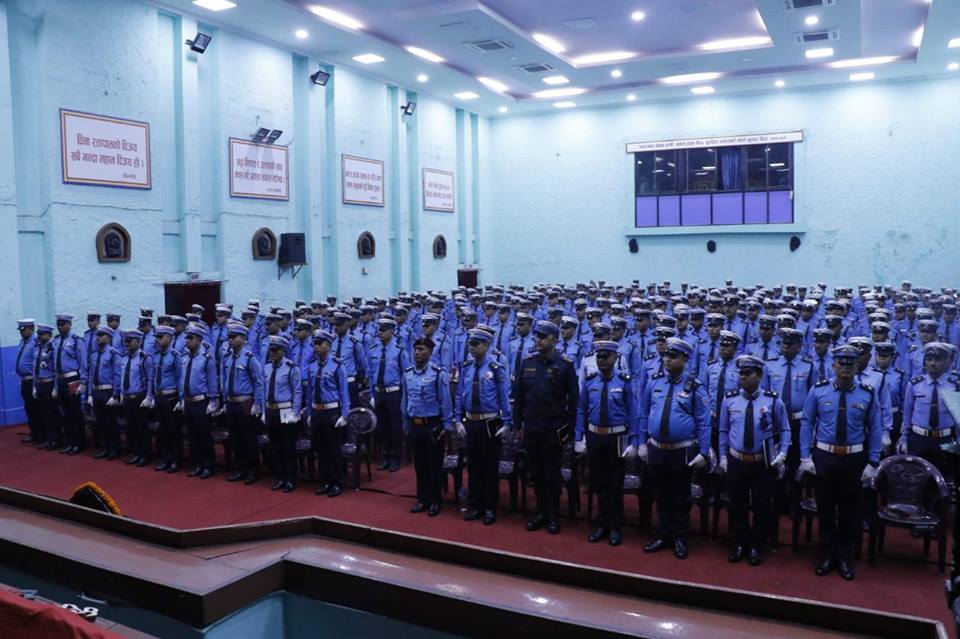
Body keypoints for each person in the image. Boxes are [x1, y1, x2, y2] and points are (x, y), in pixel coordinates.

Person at [799, 344, 882, 581]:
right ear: (833, 365)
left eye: (850, 364)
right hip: (825, 456)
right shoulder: (818, 391)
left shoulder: (867, 393)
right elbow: (807, 422)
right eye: (841, 363)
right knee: (825, 509)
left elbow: (875, 427)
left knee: (850, 511)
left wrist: (873, 461)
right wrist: (805, 456)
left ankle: (845, 557)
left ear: (857, 367)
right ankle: (827, 554)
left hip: (854, 458)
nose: (845, 368)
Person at [638, 337, 710, 559]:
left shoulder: (695, 387)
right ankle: (663, 534)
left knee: (680, 496)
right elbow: (644, 413)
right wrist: (641, 442)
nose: (667, 359)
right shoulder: (655, 382)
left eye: (673, 356)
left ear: (685, 360)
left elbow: (704, 422)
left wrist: (704, 452)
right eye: (666, 355)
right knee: (661, 494)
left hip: (682, 449)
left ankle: (679, 537)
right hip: (657, 447)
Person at [718, 355, 790, 566]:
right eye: (741, 373)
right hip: (737, 460)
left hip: (762, 461)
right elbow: (723, 430)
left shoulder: (772, 400)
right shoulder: (730, 399)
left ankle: (756, 545)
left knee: (761, 505)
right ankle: (739, 543)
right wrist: (722, 456)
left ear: (759, 375)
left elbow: (785, 429)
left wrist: (783, 453)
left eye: (748, 373)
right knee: (736, 504)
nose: (743, 377)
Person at [512, 320, 578, 535]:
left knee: (552, 475)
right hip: (531, 428)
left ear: (554, 340)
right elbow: (519, 397)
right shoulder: (528, 363)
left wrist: (569, 429)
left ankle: (553, 515)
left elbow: (574, 401)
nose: (538, 340)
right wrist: (517, 424)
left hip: (553, 429)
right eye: (537, 336)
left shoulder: (565, 365)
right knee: (535, 473)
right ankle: (540, 512)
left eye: (542, 336)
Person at [574, 340, 639, 546]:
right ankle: (602, 524)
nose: (601, 360)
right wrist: (579, 437)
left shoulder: (624, 381)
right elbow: (581, 410)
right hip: (595, 436)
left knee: (615, 485)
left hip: (616, 438)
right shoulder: (590, 381)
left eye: (605, 356)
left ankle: (615, 527)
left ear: (615, 357)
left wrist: (635, 441)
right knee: (599, 483)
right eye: (599, 356)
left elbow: (633, 413)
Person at [456, 328, 512, 525]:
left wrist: (507, 422)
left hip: (490, 422)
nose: (471, 348)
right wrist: (457, 419)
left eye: (475, 344)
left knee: (489, 467)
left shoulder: (496, 368)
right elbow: (460, 394)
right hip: (471, 421)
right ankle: (476, 505)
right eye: (470, 344)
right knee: (474, 466)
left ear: (486, 345)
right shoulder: (466, 367)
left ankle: (490, 507)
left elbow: (504, 396)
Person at [402, 336, 453, 516]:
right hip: (414, 423)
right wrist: (405, 423)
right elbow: (405, 400)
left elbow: (445, 401)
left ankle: (435, 500)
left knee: (434, 464)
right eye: (415, 349)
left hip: (432, 424)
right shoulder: (408, 373)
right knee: (420, 464)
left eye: (421, 349)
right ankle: (422, 498)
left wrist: (447, 426)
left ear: (430, 352)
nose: (417, 353)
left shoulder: (438, 374)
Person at [897, 342, 959, 472]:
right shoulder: (915, 384)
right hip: (918, 439)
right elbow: (907, 414)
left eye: (937, 360)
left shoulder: (955, 386)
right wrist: (904, 437)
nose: (932, 363)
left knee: (945, 476)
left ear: (947, 362)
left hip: (946, 440)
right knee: (915, 476)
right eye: (929, 359)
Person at [303, 330, 350, 497]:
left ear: (328, 345)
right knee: (320, 449)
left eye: (320, 344)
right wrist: (310, 413)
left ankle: (337, 482)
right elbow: (310, 392)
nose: (316, 347)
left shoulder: (337, 365)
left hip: (331, 411)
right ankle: (324, 480)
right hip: (317, 410)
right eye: (314, 344)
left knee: (333, 449)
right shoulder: (312, 366)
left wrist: (344, 414)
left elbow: (344, 391)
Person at [221, 324, 264, 485]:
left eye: (234, 337)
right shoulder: (228, 357)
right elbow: (224, 379)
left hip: (245, 402)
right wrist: (224, 400)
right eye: (229, 337)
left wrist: (257, 403)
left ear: (243, 338)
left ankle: (252, 470)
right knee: (235, 438)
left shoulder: (250, 358)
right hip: (231, 402)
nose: (231, 340)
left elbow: (258, 382)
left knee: (248, 438)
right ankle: (240, 468)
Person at [367, 317, 409, 472]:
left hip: (394, 393)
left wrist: (404, 397)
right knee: (382, 426)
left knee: (394, 427)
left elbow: (406, 375)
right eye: (379, 329)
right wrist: (372, 394)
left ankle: (395, 457)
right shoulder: (373, 349)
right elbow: (371, 373)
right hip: (379, 392)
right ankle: (385, 455)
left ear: (392, 331)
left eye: (384, 330)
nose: (380, 332)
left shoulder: (399, 350)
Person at [179, 324, 219, 479]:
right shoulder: (184, 357)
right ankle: (197, 464)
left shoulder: (206, 359)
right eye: (186, 338)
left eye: (191, 338)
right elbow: (182, 379)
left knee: (204, 435)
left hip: (201, 402)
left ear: (199, 340)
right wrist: (181, 398)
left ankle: (208, 465)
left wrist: (213, 400)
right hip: (188, 401)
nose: (187, 341)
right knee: (192, 436)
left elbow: (212, 380)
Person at [263, 335, 302, 492]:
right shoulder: (267, 367)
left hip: (285, 410)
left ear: (283, 350)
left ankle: (290, 479)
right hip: (270, 409)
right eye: (270, 350)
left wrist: (295, 412)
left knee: (288, 447)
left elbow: (297, 391)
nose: (272, 352)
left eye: (275, 350)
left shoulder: (292, 367)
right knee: (275, 447)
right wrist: (263, 410)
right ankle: (280, 477)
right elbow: (263, 390)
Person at [116, 330, 155, 466]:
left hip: (139, 398)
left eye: (129, 341)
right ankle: (134, 453)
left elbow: (150, 379)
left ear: (138, 342)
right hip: (127, 398)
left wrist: (149, 397)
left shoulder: (144, 358)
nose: (126, 344)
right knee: (130, 428)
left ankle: (145, 455)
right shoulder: (124, 358)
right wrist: (121, 393)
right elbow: (121, 377)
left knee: (142, 428)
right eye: (125, 341)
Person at [51, 314, 88, 455]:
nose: (60, 327)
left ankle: (79, 443)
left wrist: (83, 383)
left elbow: (83, 363)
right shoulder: (56, 340)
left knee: (75, 413)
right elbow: (55, 365)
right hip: (60, 380)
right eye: (58, 325)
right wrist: (55, 386)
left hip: (73, 380)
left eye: (63, 324)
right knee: (65, 413)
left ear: (69, 324)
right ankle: (69, 442)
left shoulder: (76, 341)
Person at [87, 326, 121, 460]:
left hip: (108, 391)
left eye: (101, 335)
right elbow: (91, 375)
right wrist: (90, 394)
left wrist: (115, 394)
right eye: (97, 335)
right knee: (100, 422)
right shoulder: (94, 355)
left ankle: (114, 449)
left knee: (111, 422)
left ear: (108, 338)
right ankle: (105, 447)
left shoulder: (113, 354)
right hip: (96, 391)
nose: (98, 338)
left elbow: (117, 374)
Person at [153, 326, 183, 472]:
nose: (158, 340)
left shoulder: (176, 356)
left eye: (161, 337)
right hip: (158, 396)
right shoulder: (156, 355)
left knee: (173, 430)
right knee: (162, 429)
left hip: (171, 396)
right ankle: (165, 458)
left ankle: (175, 459)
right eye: (157, 337)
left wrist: (180, 399)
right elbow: (153, 376)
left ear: (170, 338)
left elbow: (179, 378)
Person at [32, 324, 58, 450]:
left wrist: (56, 387)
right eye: (38, 334)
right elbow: (35, 368)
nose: (39, 336)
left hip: (49, 383)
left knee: (52, 413)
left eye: (42, 334)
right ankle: (49, 438)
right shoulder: (37, 347)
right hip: (40, 383)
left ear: (49, 335)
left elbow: (57, 368)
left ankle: (56, 440)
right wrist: (34, 386)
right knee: (44, 413)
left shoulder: (53, 348)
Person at [15, 319, 38, 444]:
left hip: (32, 380)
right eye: (20, 330)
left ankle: (41, 435)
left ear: (31, 329)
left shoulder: (35, 342)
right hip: (24, 380)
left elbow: (36, 363)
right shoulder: (22, 342)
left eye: (23, 330)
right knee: (29, 408)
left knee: (36, 408)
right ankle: (34, 433)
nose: (21, 332)